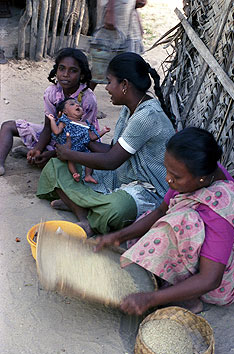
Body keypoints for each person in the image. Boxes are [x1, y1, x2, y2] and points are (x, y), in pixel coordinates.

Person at [93, 127, 234, 316]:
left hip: (229, 275)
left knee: (182, 222)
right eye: (167, 170)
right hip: (209, 253)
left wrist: (150, 298)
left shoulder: (220, 206)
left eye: (175, 176)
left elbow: (210, 279)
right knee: (158, 221)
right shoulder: (196, 172)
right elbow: (160, 212)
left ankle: (187, 298)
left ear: (201, 179)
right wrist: (117, 236)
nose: (167, 179)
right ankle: (168, 285)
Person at [36, 52, 175, 237]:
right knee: (56, 166)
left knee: (117, 208)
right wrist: (80, 138)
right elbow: (113, 150)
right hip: (121, 175)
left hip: (147, 189)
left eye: (109, 82)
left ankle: (82, 207)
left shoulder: (146, 116)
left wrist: (70, 154)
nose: (107, 88)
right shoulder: (130, 108)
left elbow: (111, 160)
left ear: (124, 85)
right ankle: (83, 210)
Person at [0, 47, 99, 176]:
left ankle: (44, 154)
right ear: (56, 70)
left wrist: (52, 153)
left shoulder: (88, 99)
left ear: (82, 75)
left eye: (73, 71)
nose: (65, 74)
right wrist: (38, 149)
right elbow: (48, 127)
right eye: (61, 68)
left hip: (79, 142)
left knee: (69, 165)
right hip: (56, 133)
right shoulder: (52, 92)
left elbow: (83, 137)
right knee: (7, 126)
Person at [48, 97, 110, 183]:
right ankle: (74, 173)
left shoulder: (85, 124)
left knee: (89, 158)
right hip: (69, 148)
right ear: (65, 112)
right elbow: (56, 131)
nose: (77, 105)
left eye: (79, 105)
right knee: (70, 159)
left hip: (83, 148)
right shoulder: (64, 121)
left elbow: (92, 137)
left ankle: (88, 175)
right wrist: (52, 120)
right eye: (72, 104)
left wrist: (103, 131)